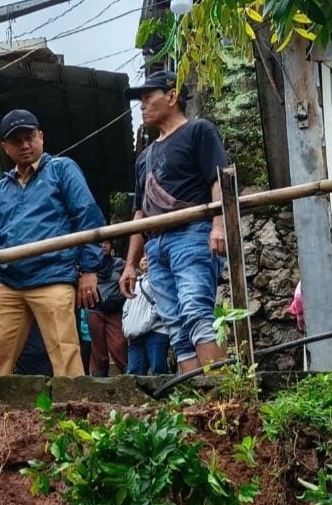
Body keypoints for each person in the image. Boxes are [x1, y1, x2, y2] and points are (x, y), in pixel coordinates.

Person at [119, 70, 230, 374]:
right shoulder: (145, 156)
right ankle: (196, 402)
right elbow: (139, 212)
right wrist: (131, 263)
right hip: (156, 246)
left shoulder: (199, 131)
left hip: (192, 234)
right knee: (175, 326)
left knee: (196, 312)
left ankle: (224, 397)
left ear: (172, 95)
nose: (142, 106)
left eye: (148, 97)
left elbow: (218, 179)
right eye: (140, 101)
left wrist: (218, 226)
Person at [0, 109, 105, 377]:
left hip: (52, 275)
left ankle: (75, 412)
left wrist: (89, 269)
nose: (25, 145)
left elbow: (88, 216)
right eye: (16, 141)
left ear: (41, 136)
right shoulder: (0, 189)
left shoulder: (62, 169)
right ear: (5, 147)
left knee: (65, 353)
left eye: (29, 137)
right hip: (8, 280)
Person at [86, 239, 128, 377]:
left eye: (106, 243)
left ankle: (128, 373)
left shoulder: (119, 264)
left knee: (119, 344)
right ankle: (99, 379)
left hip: (114, 309)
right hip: (94, 309)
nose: (103, 246)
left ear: (111, 246)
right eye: (99, 244)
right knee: (98, 348)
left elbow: (134, 276)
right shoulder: (89, 265)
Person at [124, 256, 171, 375]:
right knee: (134, 374)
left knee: (158, 370)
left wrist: (146, 323)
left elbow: (161, 303)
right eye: (142, 255)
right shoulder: (134, 283)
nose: (144, 258)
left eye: (148, 255)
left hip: (157, 332)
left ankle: (162, 394)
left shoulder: (162, 279)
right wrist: (127, 326)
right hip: (136, 335)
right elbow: (126, 309)